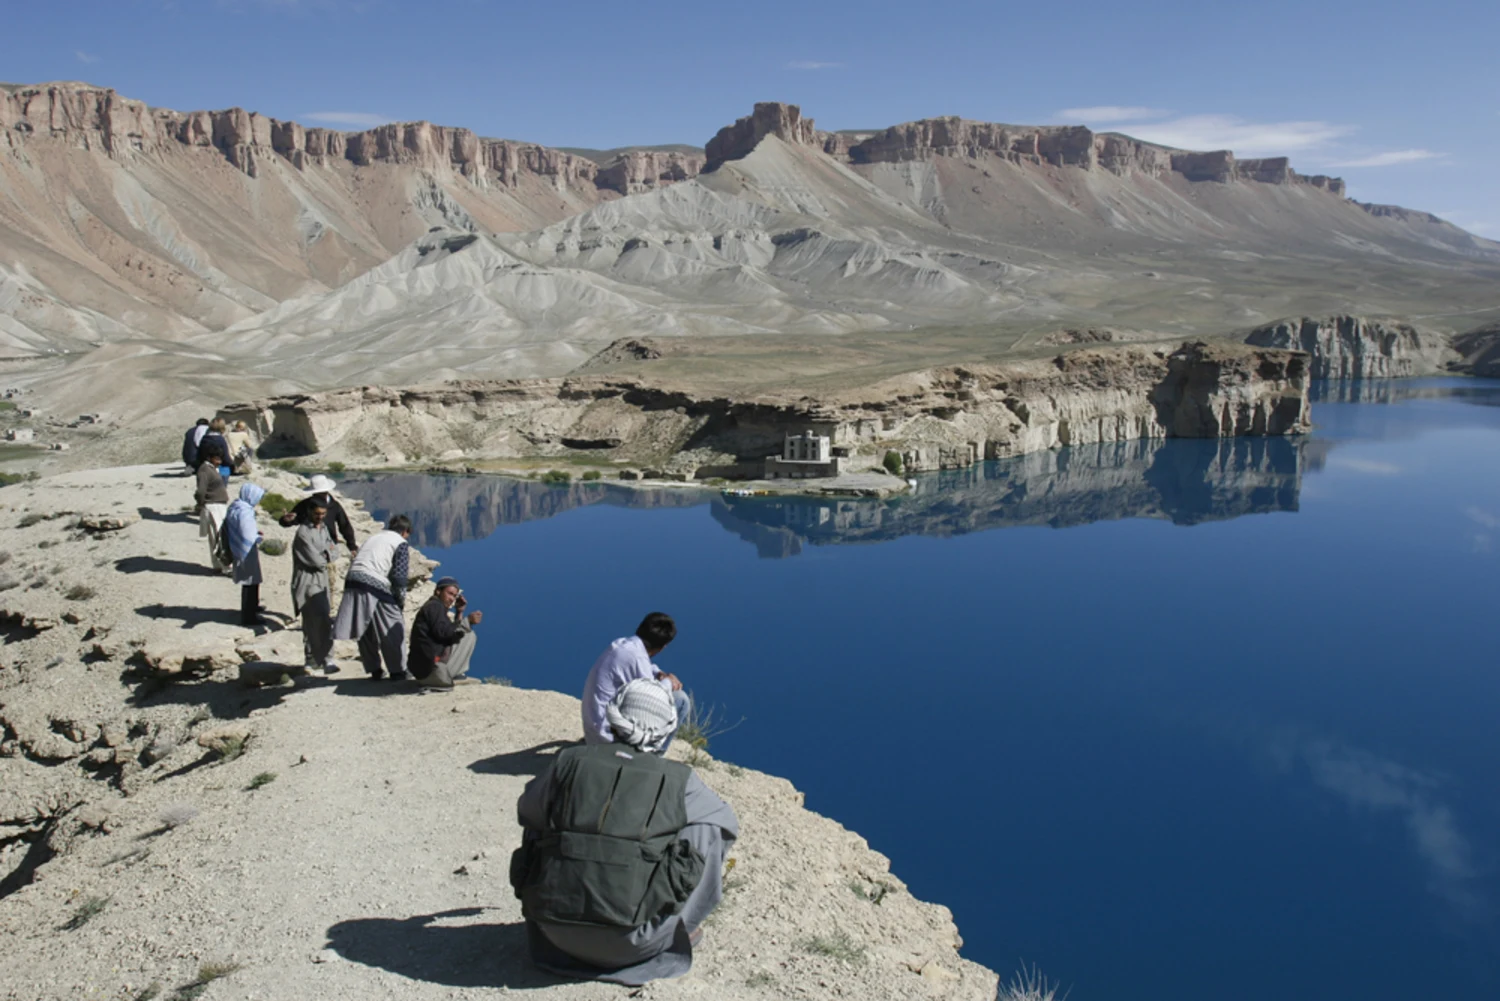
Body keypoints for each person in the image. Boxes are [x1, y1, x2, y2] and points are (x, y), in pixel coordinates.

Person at [511, 677, 738, 985]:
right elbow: (728, 824)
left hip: (552, 933)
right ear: (667, 728)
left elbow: (527, 811)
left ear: (614, 716)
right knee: (711, 826)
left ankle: (556, 902)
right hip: (635, 944)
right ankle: (680, 924)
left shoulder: (569, 760)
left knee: (540, 809)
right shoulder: (679, 779)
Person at [581, 613, 690, 753]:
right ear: (663, 647)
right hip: (607, 740)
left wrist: (659, 673)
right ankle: (652, 756)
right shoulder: (636, 658)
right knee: (680, 700)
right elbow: (653, 695)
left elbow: (645, 666)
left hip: (595, 731)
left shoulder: (623, 645)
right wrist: (668, 681)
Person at [332, 514, 412, 680]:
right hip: (374, 581)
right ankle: (398, 671)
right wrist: (399, 600)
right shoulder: (400, 543)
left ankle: (374, 669)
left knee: (364, 626)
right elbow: (399, 575)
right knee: (391, 624)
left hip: (353, 579)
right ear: (405, 531)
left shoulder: (374, 537)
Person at [409, 576, 483, 689]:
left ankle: (445, 674)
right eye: (450, 594)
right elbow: (444, 633)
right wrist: (467, 621)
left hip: (423, 672)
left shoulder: (434, 608)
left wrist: (459, 612)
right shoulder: (434, 606)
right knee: (468, 635)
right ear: (438, 591)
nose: (452, 599)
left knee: (462, 633)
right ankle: (445, 676)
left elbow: (448, 633)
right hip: (431, 670)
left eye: (454, 596)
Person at [292, 501, 337, 675]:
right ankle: (312, 659)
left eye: (323, 514)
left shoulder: (323, 529)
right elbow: (315, 560)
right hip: (308, 581)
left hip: (322, 580)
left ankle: (325, 658)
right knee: (312, 620)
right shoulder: (303, 533)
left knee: (324, 618)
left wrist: (327, 553)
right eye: (317, 514)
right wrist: (326, 554)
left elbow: (334, 550)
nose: (320, 517)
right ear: (310, 511)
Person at [279, 475, 357, 554]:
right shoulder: (305, 505)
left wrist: (352, 546)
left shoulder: (335, 506)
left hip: (329, 544)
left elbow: (345, 525)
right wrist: (286, 520)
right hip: (309, 544)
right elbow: (292, 520)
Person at [224, 483, 266, 626]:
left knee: (251, 581)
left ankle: (253, 606)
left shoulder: (236, 506)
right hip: (246, 551)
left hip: (238, 548)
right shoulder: (245, 512)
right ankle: (249, 615)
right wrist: (257, 537)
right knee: (250, 582)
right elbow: (247, 534)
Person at [194, 443, 231, 573]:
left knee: (219, 538)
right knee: (219, 539)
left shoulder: (213, 469)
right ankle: (225, 567)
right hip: (213, 506)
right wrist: (200, 504)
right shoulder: (205, 470)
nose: (219, 461)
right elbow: (201, 491)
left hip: (218, 505)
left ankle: (218, 565)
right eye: (217, 458)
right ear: (209, 457)